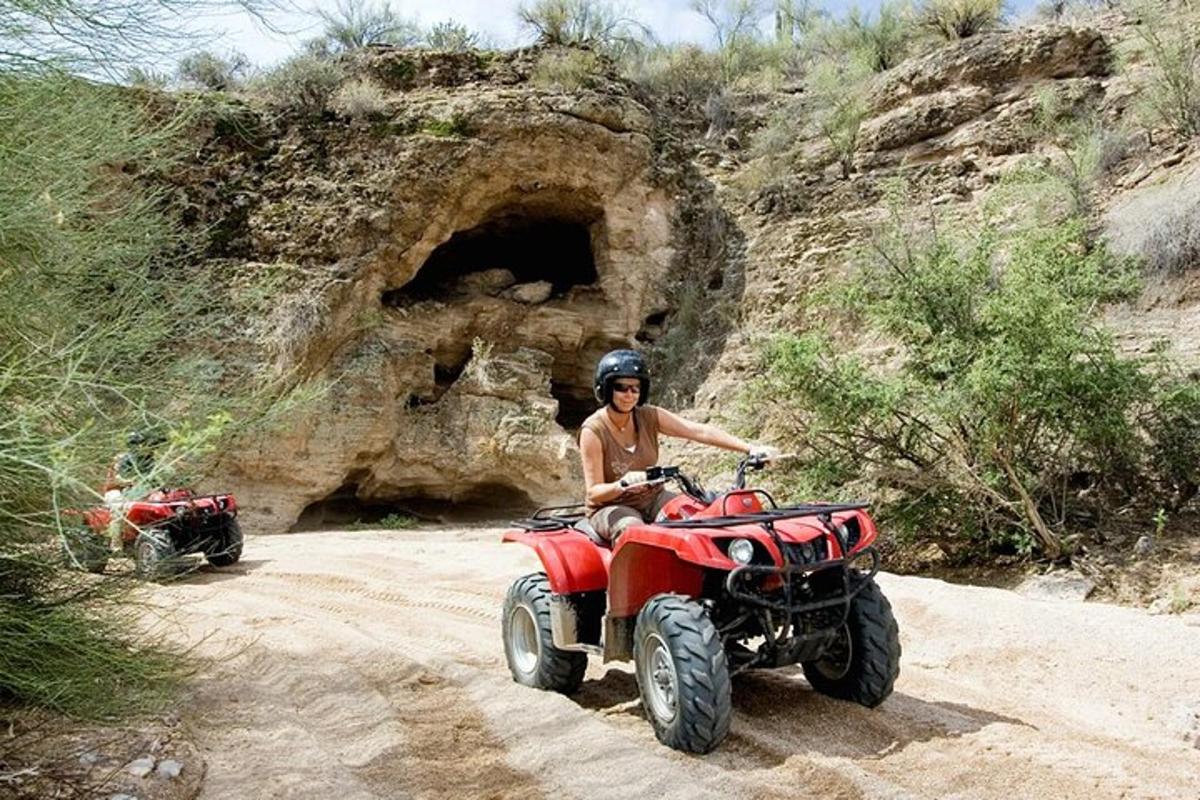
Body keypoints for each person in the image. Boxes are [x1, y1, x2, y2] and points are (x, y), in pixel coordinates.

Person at [579, 349, 775, 543]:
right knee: (633, 531)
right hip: (612, 506)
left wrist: (750, 448)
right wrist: (621, 484)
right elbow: (594, 493)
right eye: (621, 387)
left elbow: (698, 431)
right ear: (605, 389)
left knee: (697, 516)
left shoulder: (648, 416)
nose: (629, 394)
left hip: (653, 497)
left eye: (635, 388)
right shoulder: (594, 430)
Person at [101, 431, 162, 550]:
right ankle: (116, 544)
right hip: (116, 490)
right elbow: (117, 478)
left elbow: (154, 476)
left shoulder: (148, 460)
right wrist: (130, 481)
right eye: (137, 444)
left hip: (137, 490)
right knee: (118, 509)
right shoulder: (121, 459)